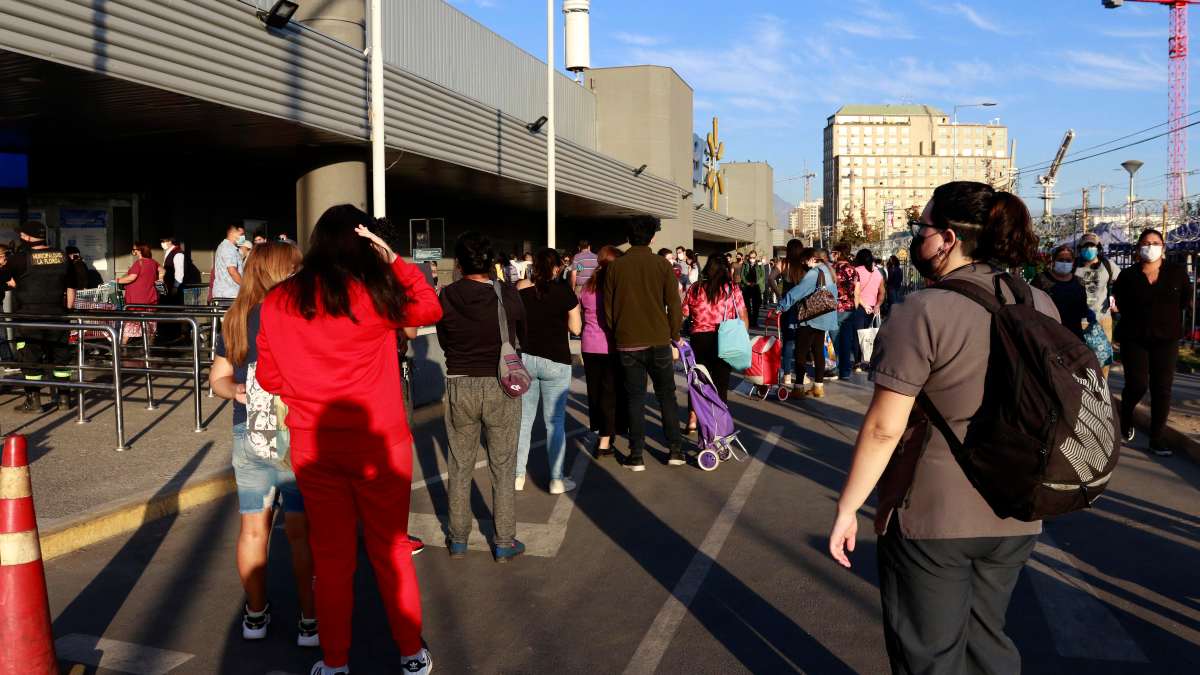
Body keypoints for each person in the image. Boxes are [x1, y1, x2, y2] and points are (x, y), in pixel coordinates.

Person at [829, 182, 1053, 674]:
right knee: (987, 644)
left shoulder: (923, 310)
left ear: (948, 239)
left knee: (929, 656)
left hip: (933, 514)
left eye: (921, 228)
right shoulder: (1037, 302)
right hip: (1018, 507)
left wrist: (848, 508)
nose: (917, 237)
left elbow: (885, 429)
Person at [256, 205, 440, 675]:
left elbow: (272, 379)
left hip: (314, 445)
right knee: (391, 549)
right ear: (363, 245)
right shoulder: (372, 294)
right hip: (380, 441)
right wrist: (394, 260)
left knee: (332, 559)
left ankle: (335, 661)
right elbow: (429, 308)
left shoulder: (276, 302)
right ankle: (410, 653)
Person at [209, 242, 317, 647]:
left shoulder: (235, 316)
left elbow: (216, 379)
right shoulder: (299, 313)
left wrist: (237, 389)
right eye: (295, 267)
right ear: (281, 272)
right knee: (300, 533)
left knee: (253, 528)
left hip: (249, 428)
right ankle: (310, 620)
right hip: (294, 429)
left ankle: (255, 616)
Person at [436, 231, 527, 561]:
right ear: (491, 263)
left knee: (459, 465)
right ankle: (504, 542)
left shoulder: (446, 295)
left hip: (460, 381)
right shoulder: (506, 294)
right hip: (500, 383)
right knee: (503, 466)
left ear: (458, 264)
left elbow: (445, 339)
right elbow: (520, 334)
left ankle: (458, 539)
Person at [604, 216, 685, 471]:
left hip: (628, 342)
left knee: (635, 398)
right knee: (666, 397)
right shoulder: (662, 265)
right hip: (659, 340)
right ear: (652, 238)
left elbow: (609, 309)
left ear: (628, 238)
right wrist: (674, 334)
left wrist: (618, 332)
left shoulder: (616, 267)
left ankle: (636, 454)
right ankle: (675, 450)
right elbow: (674, 305)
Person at [1113, 228, 1189, 458]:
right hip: (1134, 338)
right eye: (1146, 242)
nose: (1151, 246)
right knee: (1137, 384)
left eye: (1155, 242)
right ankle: (1125, 416)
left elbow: (1185, 301)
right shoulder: (1127, 276)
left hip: (1166, 338)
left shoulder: (1177, 273)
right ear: (1138, 248)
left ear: (1163, 247)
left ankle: (1157, 438)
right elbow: (1121, 305)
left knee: (1162, 388)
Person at [515, 249, 582, 494]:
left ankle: (518, 476)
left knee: (524, 421)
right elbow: (576, 328)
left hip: (527, 358)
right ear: (556, 268)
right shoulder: (564, 292)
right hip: (556, 361)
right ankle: (556, 479)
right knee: (554, 422)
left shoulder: (521, 288)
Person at [8, 221, 79, 412]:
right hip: (58, 315)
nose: (21, 238)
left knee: (30, 357)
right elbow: (71, 286)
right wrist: (68, 312)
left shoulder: (19, 259)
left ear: (28, 237)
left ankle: (34, 401)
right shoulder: (63, 256)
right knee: (61, 358)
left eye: (22, 235)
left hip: (29, 316)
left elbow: (6, 279)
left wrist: (20, 285)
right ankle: (64, 400)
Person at [682, 255, 747, 431]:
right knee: (721, 382)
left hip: (699, 339)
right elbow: (743, 315)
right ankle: (718, 422)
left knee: (697, 379)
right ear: (726, 269)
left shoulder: (695, 288)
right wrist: (743, 337)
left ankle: (693, 419)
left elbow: (684, 312)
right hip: (724, 339)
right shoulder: (732, 289)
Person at [579, 246, 626, 458]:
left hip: (588, 345)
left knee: (595, 392)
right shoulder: (612, 287)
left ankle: (601, 429)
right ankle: (605, 439)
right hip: (609, 345)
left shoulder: (588, 287)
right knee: (610, 393)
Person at [777, 247, 838, 398]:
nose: (803, 264)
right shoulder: (829, 270)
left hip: (811, 317)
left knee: (801, 352)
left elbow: (797, 292)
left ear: (812, 259)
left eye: (805, 260)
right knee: (818, 351)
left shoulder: (814, 273)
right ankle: (818, 387)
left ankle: (798, 388)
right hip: (825, 316)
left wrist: (781, 306)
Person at [1075, 232, 1120, 378]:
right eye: (1085, 246)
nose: (1088, 249)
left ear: (1098, 247)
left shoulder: (1108, 265)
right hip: (1079, 321)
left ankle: (1102, 392)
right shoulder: (1073, 266)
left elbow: (1124, 283)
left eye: (1092, 245)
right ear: (1079, 248)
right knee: (1081, 360)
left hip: (1103, 319)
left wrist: (1117, 302)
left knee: (1103, 359)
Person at [1032, 245, 1091, 340]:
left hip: (1074, 335)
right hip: (1049, 334)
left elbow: (1083, 309)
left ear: (1073, 262)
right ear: (1054, 261)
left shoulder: (1079, 282)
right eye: (1061, 259)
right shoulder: (1041, 280)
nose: (1064, 263)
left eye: (1068, 260)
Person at [115, 242, 161, 344]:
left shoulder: (139, 263)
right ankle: (150, 345)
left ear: (139, 251)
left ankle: (121, 346)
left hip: (137, 298)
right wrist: (160, 279)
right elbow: (163, 270)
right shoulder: (153, 262)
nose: (133, 252)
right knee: (149, 320)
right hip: (150, 297)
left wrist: (116, 280)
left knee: (132, 320)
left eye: (134, 250)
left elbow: (132, 278)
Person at [850, 249, 885, 371]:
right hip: (873, 308)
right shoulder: (878, 274)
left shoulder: (856, 271)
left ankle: (857, 362)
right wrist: (878, 305)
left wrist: (863, 305)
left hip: (860, 307)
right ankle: (869, 361)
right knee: (868, 335)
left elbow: (855, 292)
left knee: (857, 335)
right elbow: (882, 292)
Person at [830, 243, 861, 381]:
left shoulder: (831, 269)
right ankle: (845, 371)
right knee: (846, 341)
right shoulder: (853, 270)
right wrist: (855, 307)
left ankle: (834, 369)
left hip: (833, 309)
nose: (832, 255)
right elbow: (857, 292)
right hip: (849, 310)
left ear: (838, 253)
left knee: (834, 341)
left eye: (833, 252)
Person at [212, 224, 247, 303]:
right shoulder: (228, 248)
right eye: (241, 234)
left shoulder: (230, 248)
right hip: (228, 296)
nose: (243, 237)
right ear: (232, 232)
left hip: (227, 295)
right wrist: (246, 286)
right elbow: (232, 271)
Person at [742, 250, 764, 329]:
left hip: (756, 287)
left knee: (756, 306)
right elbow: (742, 275)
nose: (752, 259)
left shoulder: (759, 264)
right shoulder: (745, 264)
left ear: (756, 257)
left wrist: (756, 282)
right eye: (751, 257)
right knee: (747, 306)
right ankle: (749, 321)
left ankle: (754, 322)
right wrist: (746, 282)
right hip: (747, 287)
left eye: (753, 257)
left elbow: (762, 275)